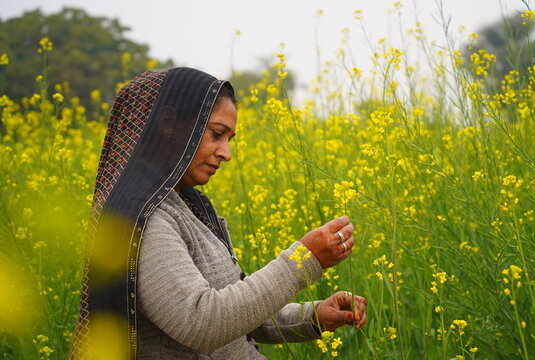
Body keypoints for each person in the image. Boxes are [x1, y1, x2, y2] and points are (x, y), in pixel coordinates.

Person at [72, 67, 366, 359]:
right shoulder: (142, 219)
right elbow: (202, 322)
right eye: (216, 134)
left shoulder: (188, 205)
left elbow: (238, 312)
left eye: (229, 139)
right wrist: (304, 259)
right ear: (167, 124)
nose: (226, 153)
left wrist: (313, 316)